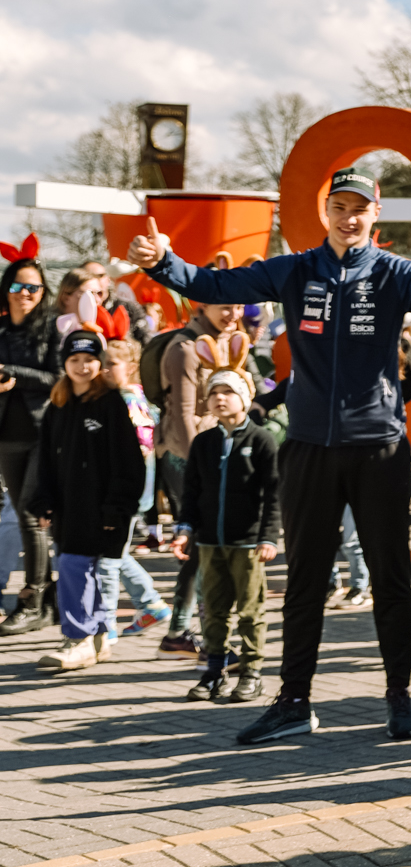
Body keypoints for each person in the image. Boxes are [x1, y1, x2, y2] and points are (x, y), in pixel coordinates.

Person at [129, 168, 411, 744]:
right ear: (325, 211)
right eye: (340, 207)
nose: (349, 218)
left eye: (360, 208)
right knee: (305, 579)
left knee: (390, 578)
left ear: (375, 214)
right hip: (307, 448)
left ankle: (399, 697)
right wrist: (162, 263)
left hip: (378, 447)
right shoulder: (296, 269)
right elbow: (214, 285)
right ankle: (293, 701)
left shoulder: (396, 273)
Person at [31, 329, 146, 672]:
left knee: (74, 567)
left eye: (90, 360)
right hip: (67, 506)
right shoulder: (58, 405)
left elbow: (129, 462)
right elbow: (46, 459)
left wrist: (117, 508)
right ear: (64, 363)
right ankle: (97, 636)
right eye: (75, 359)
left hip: (100, 507)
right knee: (81, 569)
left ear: (100, 364)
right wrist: (43, 499)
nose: (82, 366)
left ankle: (77, 637)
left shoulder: (110, 403)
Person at [175, 366, 281, 703]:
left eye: (228, 392)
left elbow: (273, 495)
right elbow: (191, 492)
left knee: (250, 611)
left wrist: (268, 537)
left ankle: (251, 673)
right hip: (209, 542)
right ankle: (214, 672)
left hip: (247, 543)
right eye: (214, 393)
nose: (220, 399)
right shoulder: (204, 442)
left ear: (245, 398)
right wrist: (185, 529)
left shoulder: (262, 440)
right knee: (213, 610)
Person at [153, 300, 244, 655]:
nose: (234, 314)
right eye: (226, 306)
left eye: (239, 306)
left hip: (214, 454)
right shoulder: (185, 349)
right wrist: (200, 471)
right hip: (185, 456)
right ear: (203, 306)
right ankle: (212, 642)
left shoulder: (225, 341)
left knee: (199, 548)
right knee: (204, 547)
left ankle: (178, 632)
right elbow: (184, 415)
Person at [0, 240, 58, 634]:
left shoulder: (52, 328)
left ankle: (33, 599)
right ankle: (47, 600)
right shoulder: (1, 330)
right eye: (18, 286)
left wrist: (13, 374)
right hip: (7, 435)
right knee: (23, 515)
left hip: (43, 433)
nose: (26, 294)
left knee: (30, 514)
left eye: (33, 287)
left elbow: (59, 377)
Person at [100, 337, 174, 636]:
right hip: (127, 492)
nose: (103, 369)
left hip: (127, 493)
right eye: (101, 363)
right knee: (115, 552)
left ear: (131, 367)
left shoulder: (129, 402)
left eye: (111, 364)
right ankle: (150, 603)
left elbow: (138, 454)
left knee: (108, 558)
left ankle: (105, 626)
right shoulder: (124, 398)